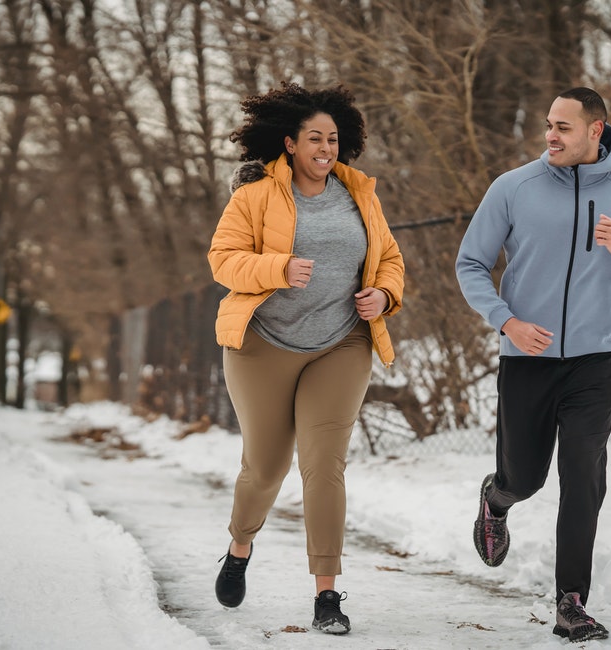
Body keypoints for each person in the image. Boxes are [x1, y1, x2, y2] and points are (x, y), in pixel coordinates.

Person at [455, 87, 611, 642]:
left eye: (564, 127)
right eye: (548, 125)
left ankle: (571, 601)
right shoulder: (513, 188)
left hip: (593, 364)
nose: (550, 135)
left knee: (583, 478)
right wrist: (507, 322)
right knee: (525, 478)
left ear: (596, 130)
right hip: (526, 359)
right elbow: (471, 263)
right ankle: (496, 498)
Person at [207, 81, 404, 635]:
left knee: (324, 467)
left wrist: (384, 295)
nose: (326, 147)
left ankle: (326, 595)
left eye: (333, 138)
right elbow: (223, 261)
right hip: (262, 344)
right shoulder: (254, 196)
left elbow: (388, 257)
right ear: (290, 143)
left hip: (341, 342)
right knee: (266, 467)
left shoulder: (359, 194)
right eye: (314, 138)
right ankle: (240, 546)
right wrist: (277, 269)